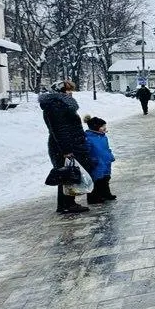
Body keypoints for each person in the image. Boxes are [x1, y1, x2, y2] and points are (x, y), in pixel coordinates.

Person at [40, 80, 93, 215]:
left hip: (70, 143)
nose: (70, 93)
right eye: (66, 90)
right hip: (64, 146)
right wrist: (66, 150)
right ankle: (66, 204)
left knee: (69, 173)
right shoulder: (55, 106)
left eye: (70, 90)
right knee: (66, 173)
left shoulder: (62, 104)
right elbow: (59, 129)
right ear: (59, 92)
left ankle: (68, 203)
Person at [83, 115, 117, 203]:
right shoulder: (88, 138)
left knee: (106, 178)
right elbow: (86, 151)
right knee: (96, 179)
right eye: (102, 126)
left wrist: (110, 155)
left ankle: (106, 193)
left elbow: (106, 148)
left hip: (105, 161)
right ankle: (93, 197)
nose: (104, 128)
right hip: (96, 162)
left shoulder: (103, 136)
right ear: (96, 127)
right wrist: (91, 159)